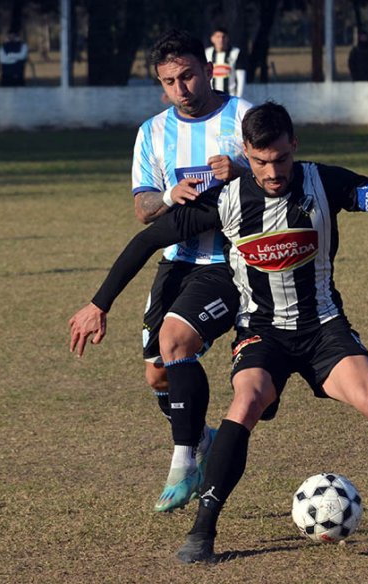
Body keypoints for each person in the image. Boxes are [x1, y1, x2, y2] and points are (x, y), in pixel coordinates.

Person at [69, 101, 368, 564]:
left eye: (281, 159)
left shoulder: (324, 182)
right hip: (261, 332)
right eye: (261, 161)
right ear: (246, 151)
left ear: (294, 146)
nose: (273, 172)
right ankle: (203, 529)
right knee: (246, 403)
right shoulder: (225, 197)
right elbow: (148, 239)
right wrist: (98, 303)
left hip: (323, 326)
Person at [69, 29, 251, 513]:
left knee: (175, 342)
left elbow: (281, 172)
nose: (181, 89)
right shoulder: (152, 133)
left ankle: (183, 463)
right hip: (175, 263)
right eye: (169, 82)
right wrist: (170, 196)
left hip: (229, 265)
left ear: (207, 68)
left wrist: (241, 169)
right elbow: (143, 207)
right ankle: (203, 437)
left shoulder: (243, 117)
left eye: (188, 76)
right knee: (157, 378)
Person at [205, 27, 246, 98]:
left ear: (227, 38)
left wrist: (239, 98)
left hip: (230, 97)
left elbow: (241, 78)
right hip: (211, 98)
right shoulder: (207, 53)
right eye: (218, 37)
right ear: (212, 39)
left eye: (223, 37)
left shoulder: (236, 53)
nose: (221, 40)